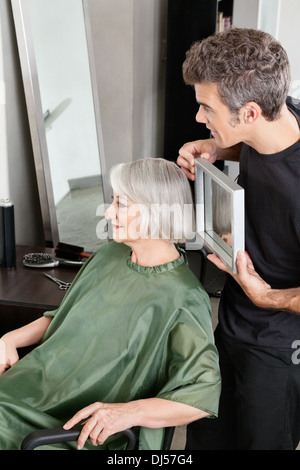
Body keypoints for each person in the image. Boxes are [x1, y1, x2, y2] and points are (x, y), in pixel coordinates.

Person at [0, 158, 221, 450]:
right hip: (38, 386)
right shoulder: (109, 256)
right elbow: (65, 316)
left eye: (121, 204)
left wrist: (130, 412)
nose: (108, 211)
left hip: (81, 424)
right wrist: (9, 338)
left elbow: (203, 393)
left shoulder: (184, 298)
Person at [177, 28, 300, 450]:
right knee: (206, 439)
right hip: (231, 321)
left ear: (248, 112)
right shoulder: (284, 113)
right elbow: (260, 147)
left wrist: (269, 298)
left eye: (205, 108)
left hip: (278, 350)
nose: (199, 117)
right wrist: (215, 146)